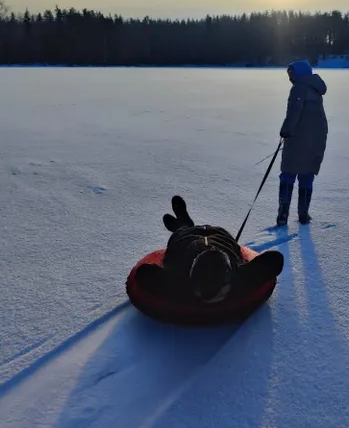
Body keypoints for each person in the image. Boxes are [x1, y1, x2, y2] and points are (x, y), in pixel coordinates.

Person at [136, 196, 284, 303]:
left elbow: (275, 260)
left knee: (182, 233)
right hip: (197, 238)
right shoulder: (182, 282)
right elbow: (143, 275)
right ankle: (182, 223)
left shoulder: (240, 279)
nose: (208, 298)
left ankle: (183, 224)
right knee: (182, 233)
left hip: (217, 236)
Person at [277, 60, 328, 226]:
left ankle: (283, 214)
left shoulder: (299, 87)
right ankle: (304, 215)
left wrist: (286, 130)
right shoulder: (315, 88)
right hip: (317, 140)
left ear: (299, 73)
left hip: (298, 139)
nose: (289, 78)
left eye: (291, 74)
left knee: (288, 174)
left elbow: (294, 112)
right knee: (306, 175)